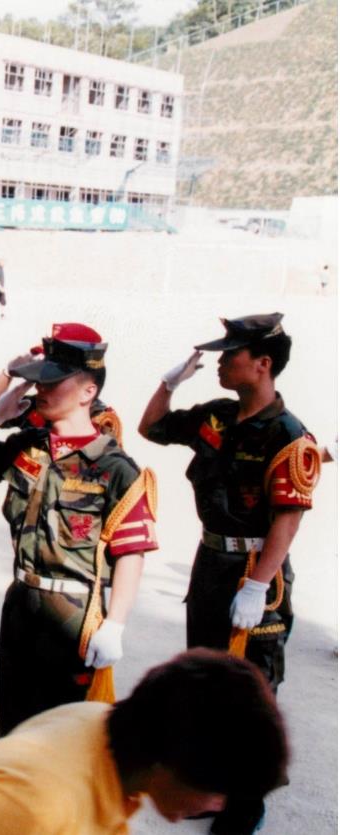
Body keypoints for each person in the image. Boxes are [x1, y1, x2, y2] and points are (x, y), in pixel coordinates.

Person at [138, 313, 319, 835]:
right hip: (212, 564)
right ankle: (211, 789)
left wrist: (259, 585)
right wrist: (167, 385)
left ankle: (244, 805)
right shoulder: (217, 417)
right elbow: (153, 428)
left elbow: (288, 519)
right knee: (208, 683)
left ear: (262, 365)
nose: (220, 361)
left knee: (251, 693)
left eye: (230, 355)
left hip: (255, 571)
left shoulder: (289, 436)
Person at [0, 324, 158, 737]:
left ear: (88, 392)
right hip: (22, 602)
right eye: (39, 380)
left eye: (54, 381)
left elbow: (131, 553)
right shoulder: (29, 445)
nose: (41, 389)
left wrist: (115, 624)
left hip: (72, 614)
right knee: (12, 723)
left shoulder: (114, 468)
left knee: (60, 733)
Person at [0, 649, 289, 834]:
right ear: (166, 762)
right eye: (218, 791)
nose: (218, 805)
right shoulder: (31, 804)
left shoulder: (103, 729)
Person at [0, 324, 125, 442]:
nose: (40, 385)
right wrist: (8, 372)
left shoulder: (100, 419)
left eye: (55, 379)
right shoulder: (38, 405)